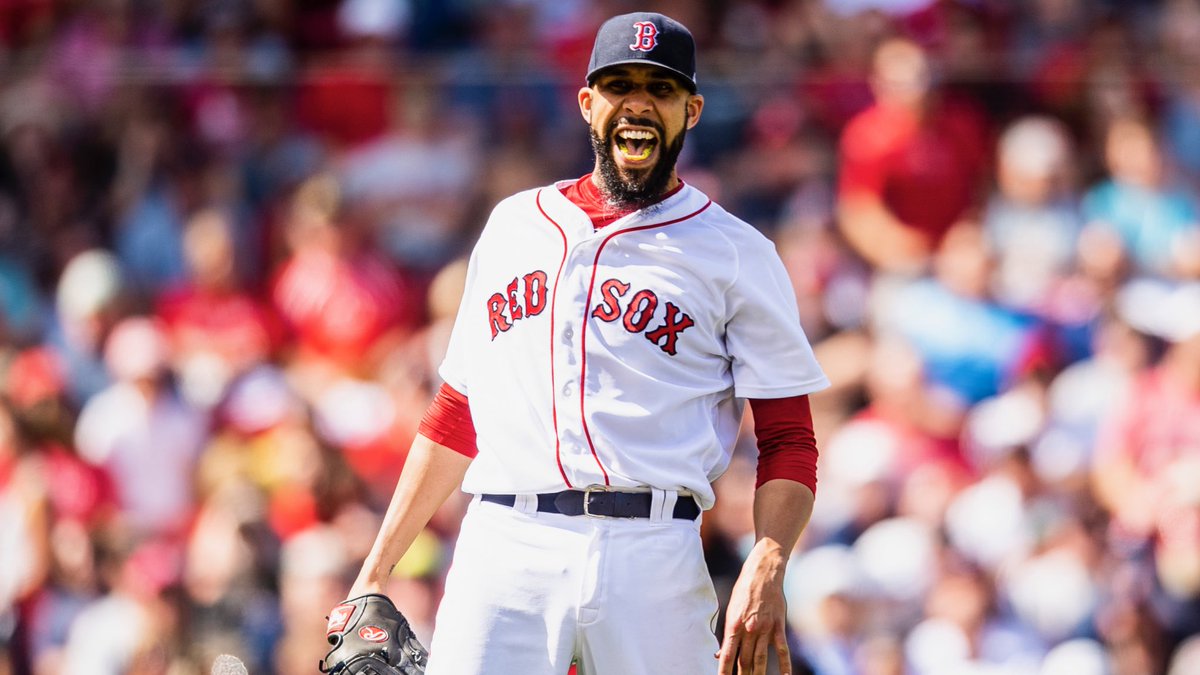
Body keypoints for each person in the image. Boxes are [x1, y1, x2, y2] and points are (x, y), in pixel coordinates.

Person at [336, 12, 829, 675]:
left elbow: (789, 437)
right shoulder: (513, 226)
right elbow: (456, 414)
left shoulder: (736, 252)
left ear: (692, 110)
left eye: (660, 89)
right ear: (588, 103)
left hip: (654, 548)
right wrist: (374, 571)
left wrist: (768, 563)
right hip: (506, 542)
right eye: (620, 85)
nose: (639, 104)